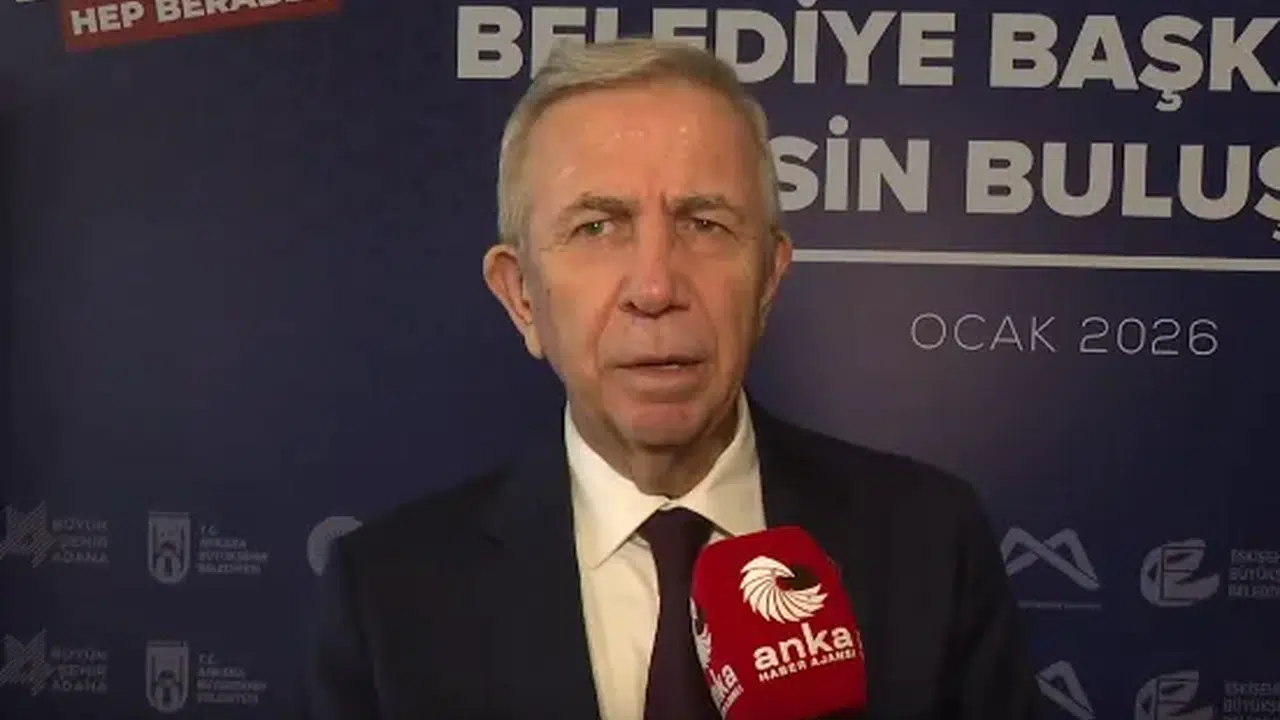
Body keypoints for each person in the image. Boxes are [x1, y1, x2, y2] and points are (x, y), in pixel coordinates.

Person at [300, 37, 1039, 720]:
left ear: (768, 281)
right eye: (597, 227)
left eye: (704, 224)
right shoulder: (386, 596)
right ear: (521, 296)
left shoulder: (930, 544)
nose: (655, 287)